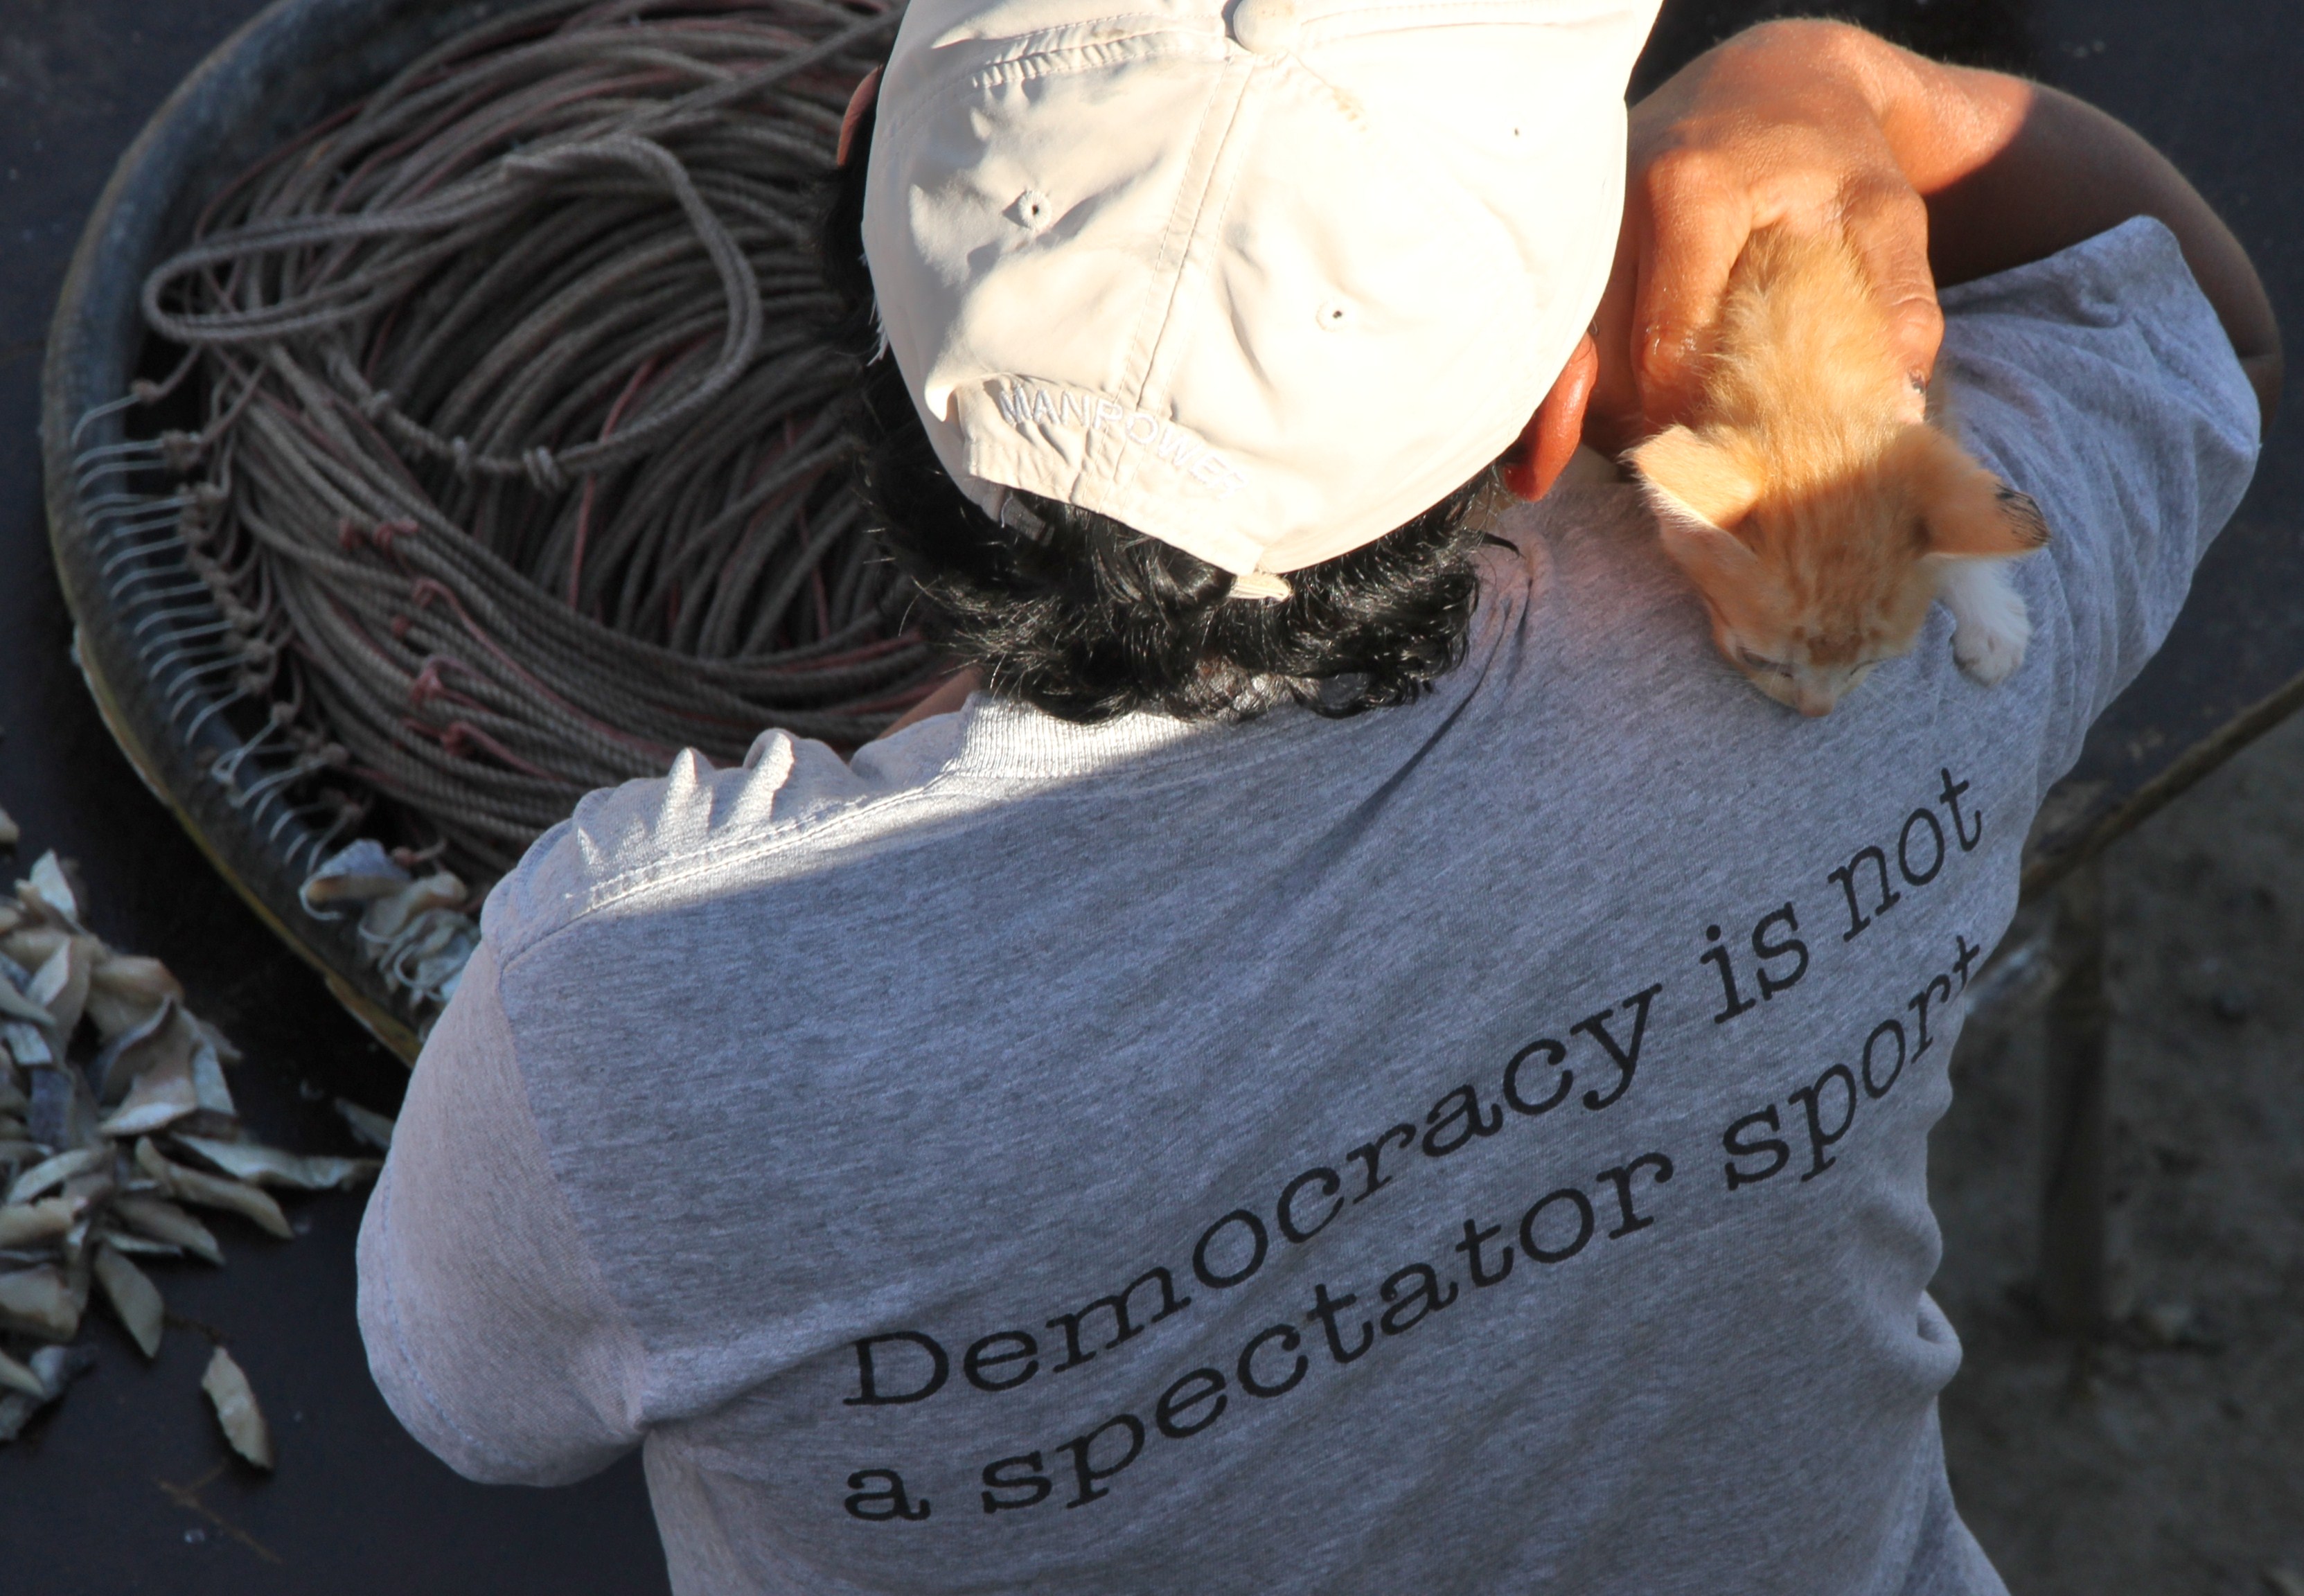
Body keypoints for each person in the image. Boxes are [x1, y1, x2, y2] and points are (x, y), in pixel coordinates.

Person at [357, 8, 2278, 1595]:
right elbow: (2199, 313)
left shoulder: (624, 1016)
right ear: (1555, 416)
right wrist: (1833, 82)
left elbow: (468, 1404)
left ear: (854, 167)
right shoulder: (1874, 645)